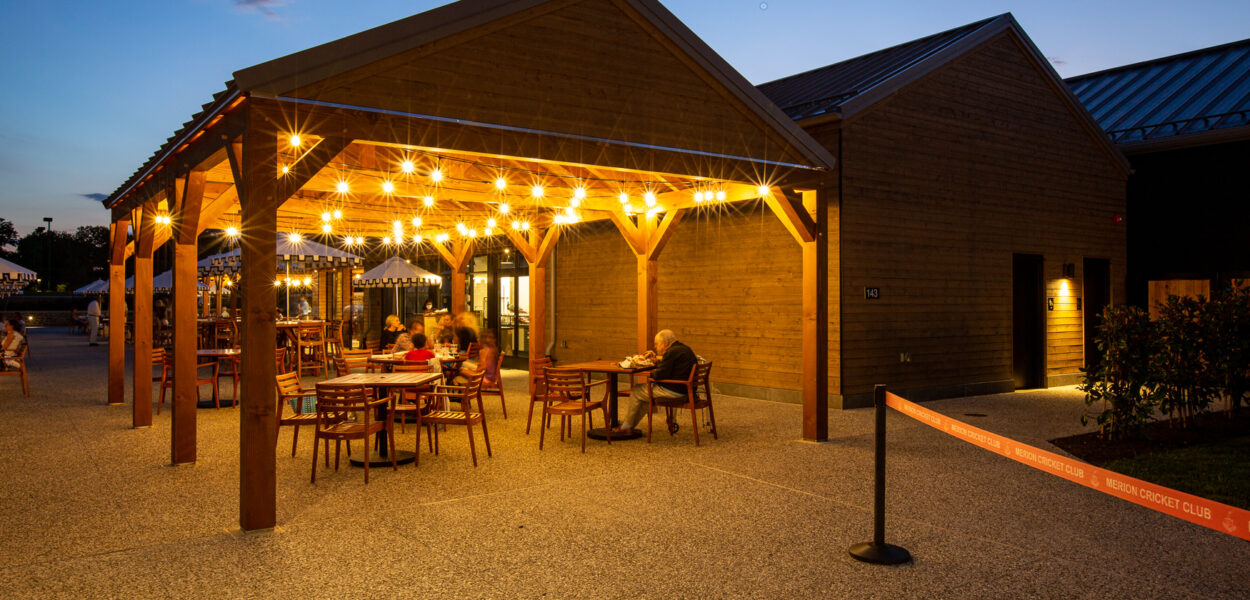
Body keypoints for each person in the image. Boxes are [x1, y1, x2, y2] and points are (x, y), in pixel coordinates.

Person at [614, 329, 697, 436]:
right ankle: (628, 426)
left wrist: (649, 373)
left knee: (636, 390)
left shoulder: (671, 352)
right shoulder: (684, 349)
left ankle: (626, 427)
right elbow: (670, 367)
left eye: (657, 344)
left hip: (674, 391)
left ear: (665, 343)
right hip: (686, 389)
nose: (655, 347)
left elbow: (659, 375)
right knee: (644, 396)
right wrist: (657, 362)